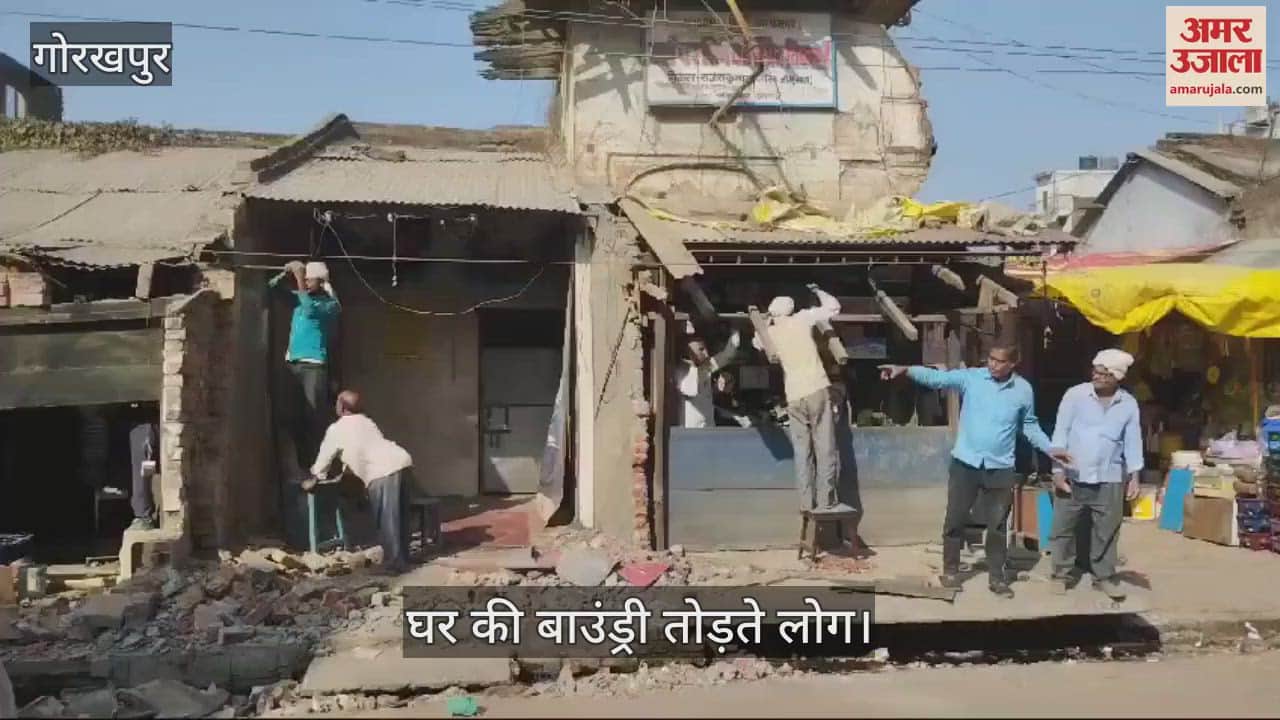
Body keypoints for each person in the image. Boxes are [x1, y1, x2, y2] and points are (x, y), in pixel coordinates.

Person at [881, 346, 1071, 598]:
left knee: (997, 526)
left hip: (1000, 466)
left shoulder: (1023, 390)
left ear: (1013, 363)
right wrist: (905, 370)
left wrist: (1050, 449)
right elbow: (939, 379)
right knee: (955, 520)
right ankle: (950, 571)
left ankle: (997, 577)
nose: (993, 365)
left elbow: (1029, 424)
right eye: (991, 359)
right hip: (965, 464)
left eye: (1000, 361)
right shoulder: (972, 377)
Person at [1047, 349, 1143, 601]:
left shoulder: (1128, 404)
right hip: (1073, 474)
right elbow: (1060, 434)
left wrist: (1134, 475)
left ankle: (1104, 576)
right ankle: (1060, 574)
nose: (1098, 377)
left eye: (1105, 374)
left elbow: (1133, 441)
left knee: (1107, 529)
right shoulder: (1075, 395)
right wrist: (1057, 471)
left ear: (1117, 377)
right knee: (1062, 527)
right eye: (1096, 372)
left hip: (1110, 476)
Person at [309, 390, 413, 574]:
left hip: (382, 471)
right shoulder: (367, 422)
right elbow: (363, 449)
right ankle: (404, 558)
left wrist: (316, 476)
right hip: (402, 461)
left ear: (341, 406)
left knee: (387, 519)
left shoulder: (336, 429)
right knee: (400, 515)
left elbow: (323, 462)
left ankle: (394, 565)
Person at [763, 284, 845, 512]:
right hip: (816, 388)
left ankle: (806, 503)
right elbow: (834, 307)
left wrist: (766, 320)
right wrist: (819, 291)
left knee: (802, 453)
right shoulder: (801, 319)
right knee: (825, 446)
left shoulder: (770, 333)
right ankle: (826, 501)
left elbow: (756, 342)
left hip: (794, 396)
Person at [270, 260, 341, 470]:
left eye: (311, 279)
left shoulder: (329, 304)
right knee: (289, 413)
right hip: (293, 364)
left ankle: (320, 465)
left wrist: (299, 279)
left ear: (321, 281)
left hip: (314, 366)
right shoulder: (300, 299)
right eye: (306, 278)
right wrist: (285, 273)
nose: (307, 283)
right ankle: (302, 463)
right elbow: (272, 289)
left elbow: (310, 311)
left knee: (314, 415)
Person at [674, 331, 740, 428]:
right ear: (689, 352)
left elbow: (727, 356)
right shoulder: (682, 372)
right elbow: (692, 391)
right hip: (691, 434)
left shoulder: (705, 367)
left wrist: (736, 331)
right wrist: (695, 366)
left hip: (708, 429)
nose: (706, 353)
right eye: (701, 349)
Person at [127, 418, 160, 531]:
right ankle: (144, 515)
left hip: (144, 424)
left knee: (143, 473)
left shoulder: (141, 431)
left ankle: (144, 517)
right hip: (141, 424)